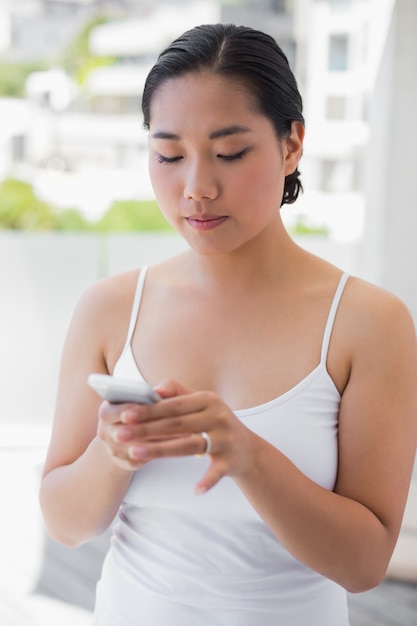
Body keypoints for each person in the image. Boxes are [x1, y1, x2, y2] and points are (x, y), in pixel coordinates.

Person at [39, 23, 417, 626]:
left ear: (292, 145)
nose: (197, 188)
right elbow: (64, 522)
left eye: (230, 152)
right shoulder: (110, 308)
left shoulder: (369, 323)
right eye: (168, 155)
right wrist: (114, 453)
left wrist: (248, 456)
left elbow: (365, 563)